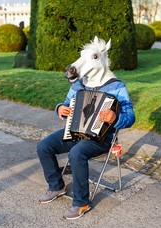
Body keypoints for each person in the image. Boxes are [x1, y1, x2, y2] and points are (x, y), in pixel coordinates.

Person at [36, 77, 135, 220]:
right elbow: (66, 105)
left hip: (102, 137)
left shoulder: (116, 86)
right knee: (44, 146)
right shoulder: (78, 84)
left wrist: (115, 118)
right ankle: (56, 186)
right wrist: (60, 108)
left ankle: (81, 202)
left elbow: (130, 117)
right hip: (75, 132)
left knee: (76, 153)